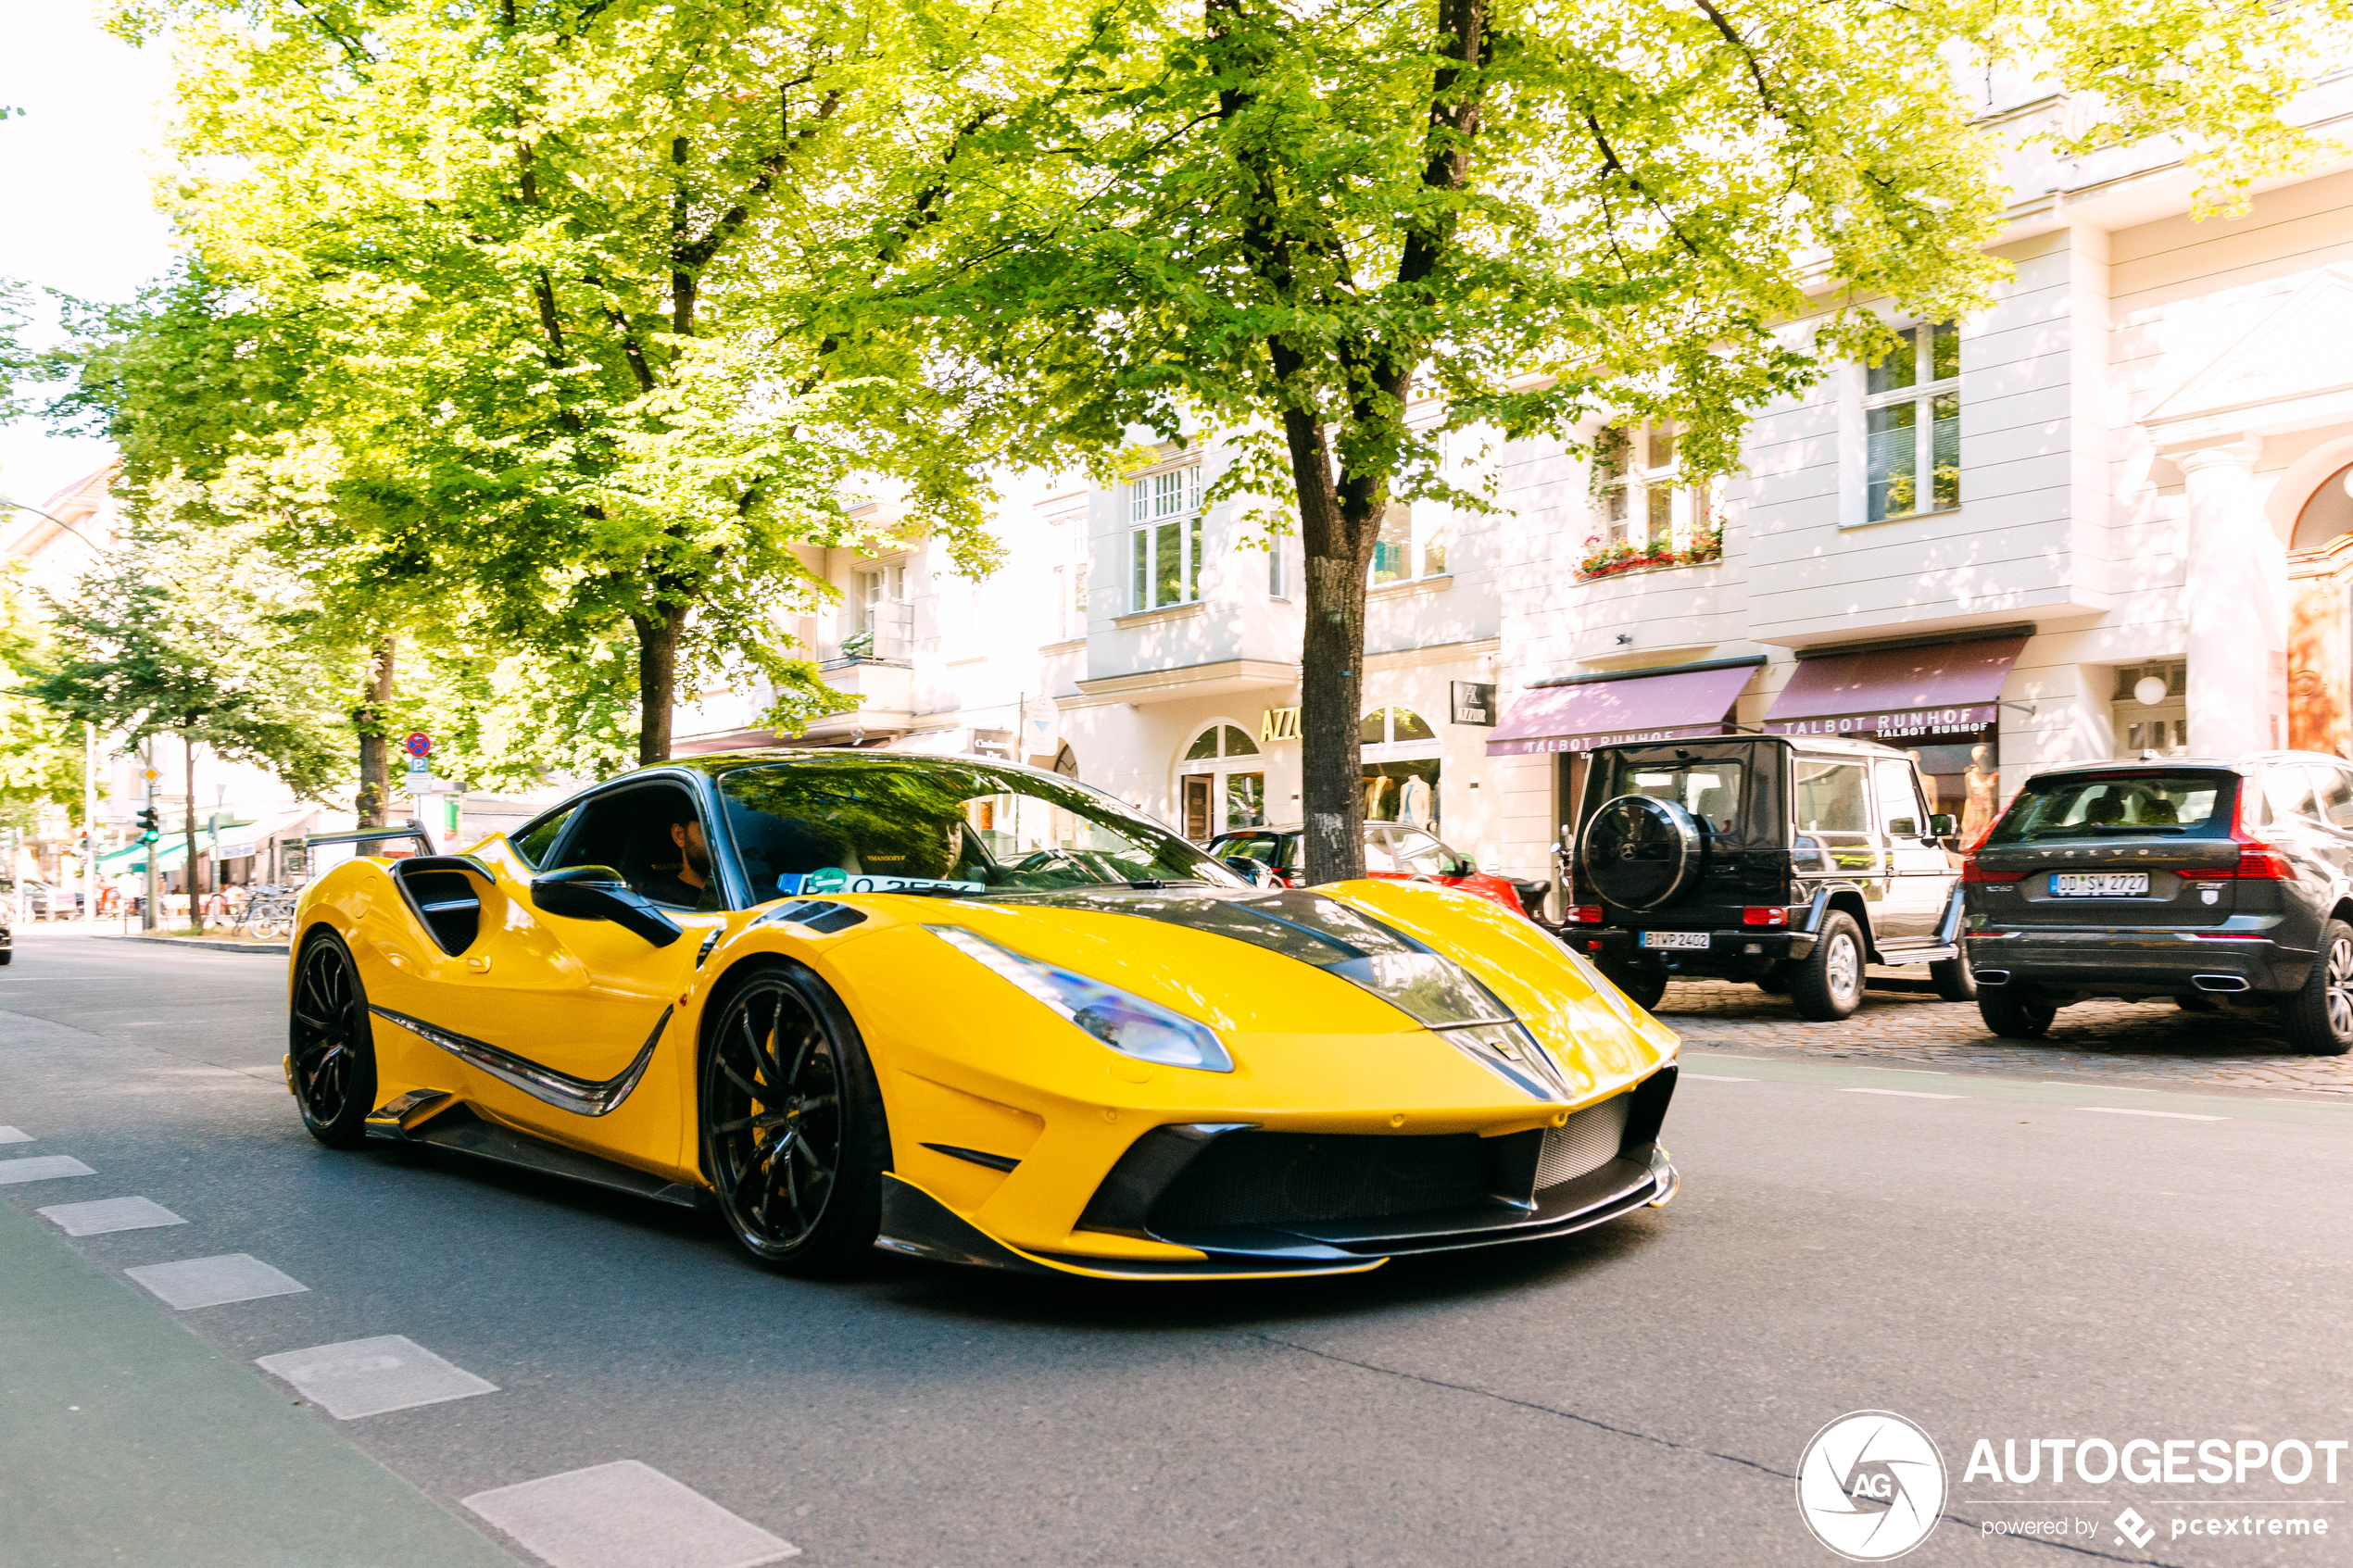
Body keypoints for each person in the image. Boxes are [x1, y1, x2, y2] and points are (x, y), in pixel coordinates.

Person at [641, 805, 721, 910]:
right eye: (710, 829)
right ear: (679, 835)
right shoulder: (657, 901)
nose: (721, 842)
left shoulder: (745, 889)